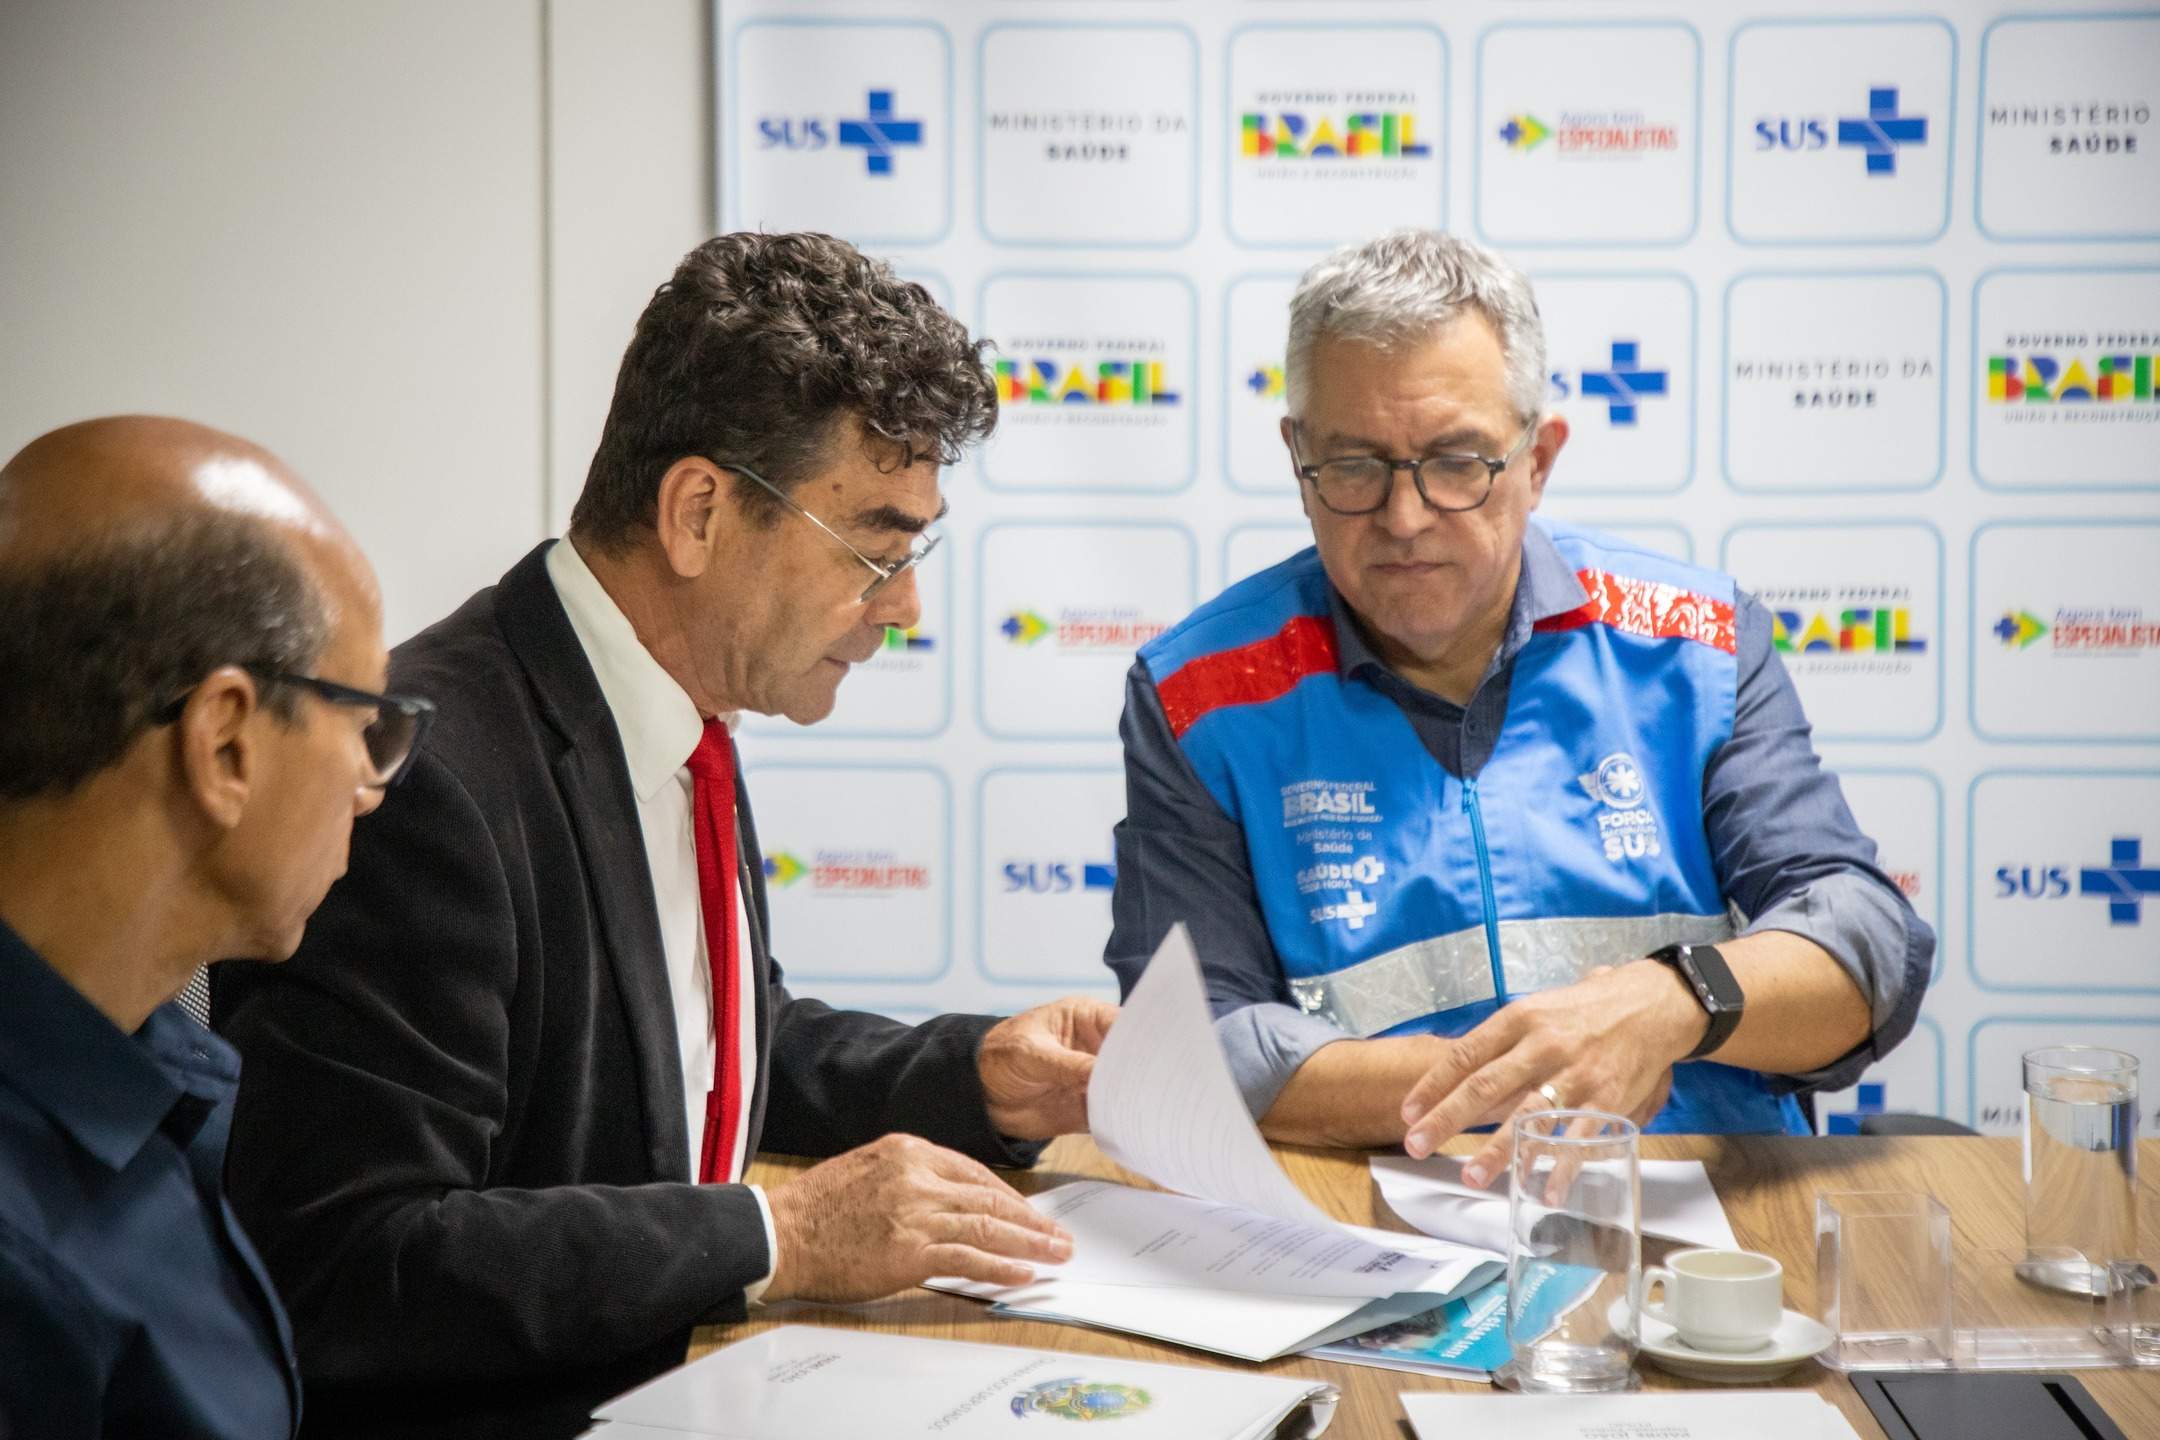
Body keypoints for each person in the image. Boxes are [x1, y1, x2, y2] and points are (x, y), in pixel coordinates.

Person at [213, 232, 1117, 1439]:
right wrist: (774, 1235)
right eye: (875, 550)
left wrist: (974, 1075)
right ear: (698, 513)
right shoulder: (431, 782)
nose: (904, 607)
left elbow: (710, 1056)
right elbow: (348, 1259)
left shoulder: (678, 716)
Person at [1105, 230, 1934, 1186]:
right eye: (1355, 465)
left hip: (1703, 1211)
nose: (1405, 518)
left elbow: (1864, 944)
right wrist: (1529, 1074)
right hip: (1370, 1221)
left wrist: (1671, 1002)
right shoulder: (1199, 694)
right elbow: (1192, 1044)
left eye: (1457, 461)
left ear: (1537, 459)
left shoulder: (1695, 642)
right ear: (1298, 461)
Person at [0, 417, 412, 1438]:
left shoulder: (146, 1064)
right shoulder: (23, 1271)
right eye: (365, 726)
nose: (371, 788)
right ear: (225, 742)